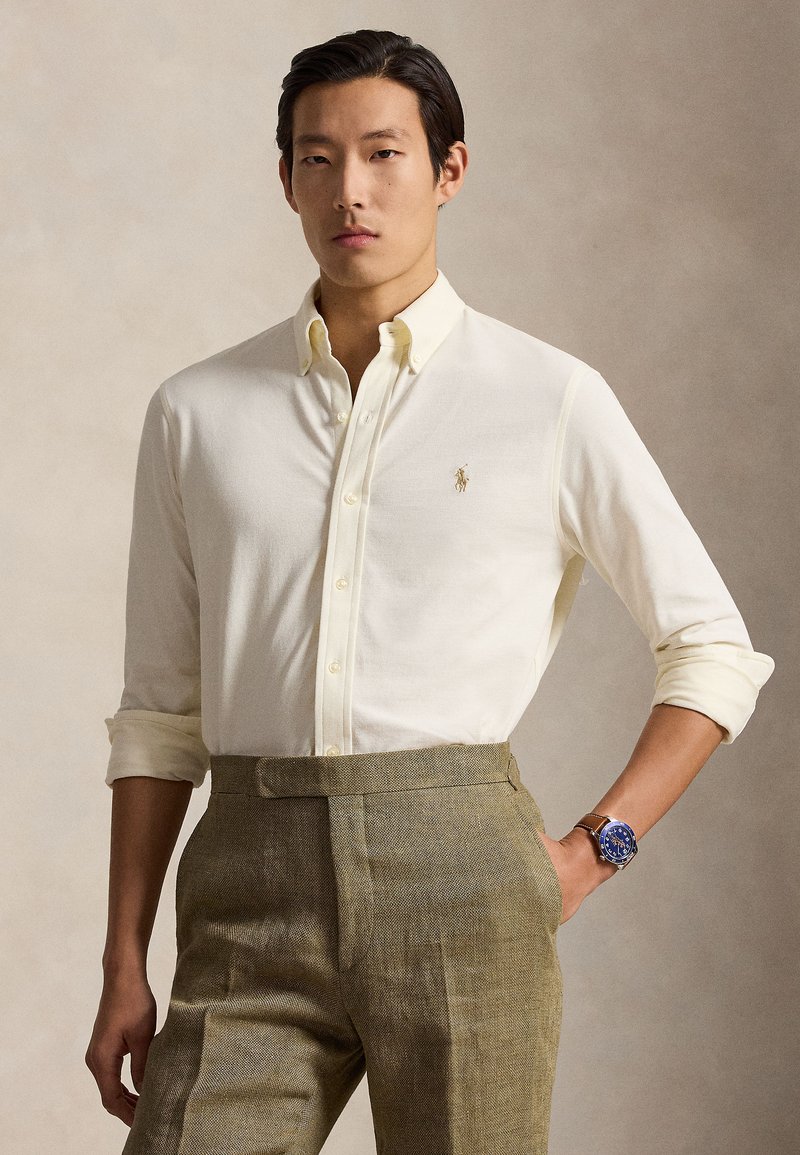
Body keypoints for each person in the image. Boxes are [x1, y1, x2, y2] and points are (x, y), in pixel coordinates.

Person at [85, 28, 775, 1155]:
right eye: (317, 159)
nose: (348, 191)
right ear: (285, 180)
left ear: (449, 169)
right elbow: (161, 714)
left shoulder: (546, 396)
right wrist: (125, 958)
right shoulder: (196, 412)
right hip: (246, 884)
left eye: (382, 154)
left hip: (463, 873)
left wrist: (595, 847)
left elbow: (713, 649)